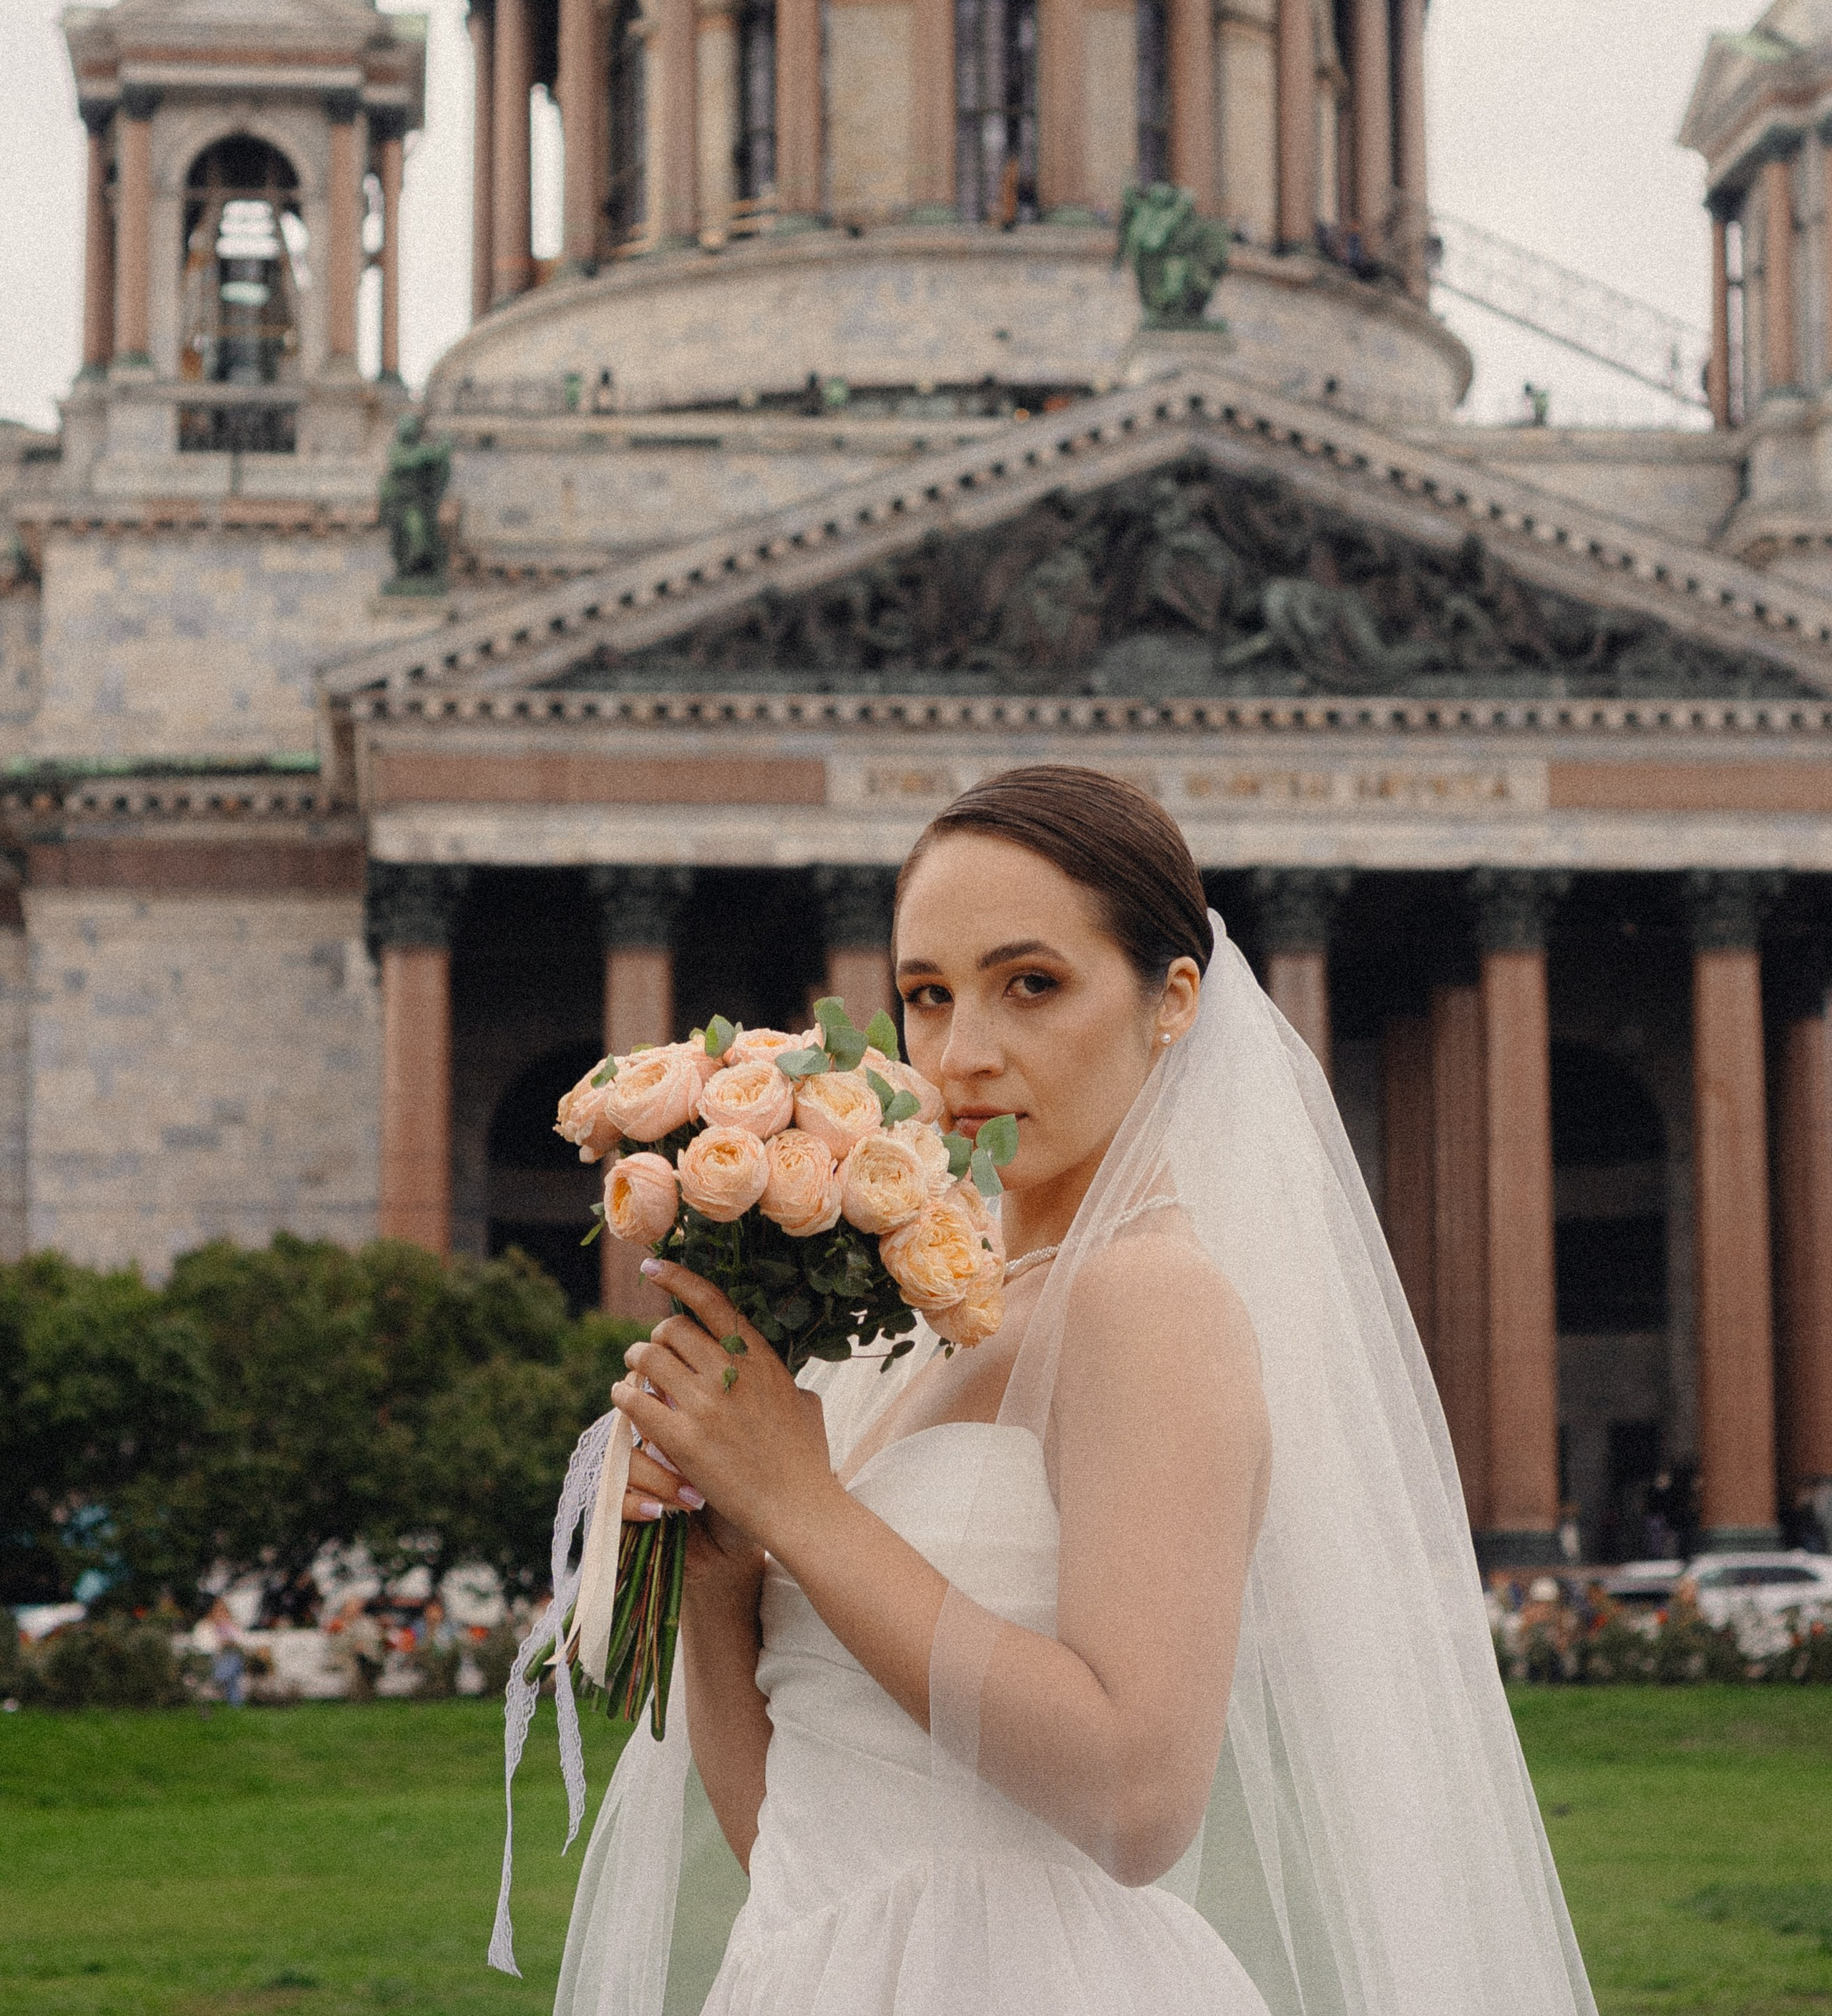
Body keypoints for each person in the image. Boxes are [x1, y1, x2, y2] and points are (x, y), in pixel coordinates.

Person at [522, 766, 1596, 2016]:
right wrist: (721, 1576)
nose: (965, 1053)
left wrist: (806, 1510)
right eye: (928, 995)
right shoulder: (932, 1322)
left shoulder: (1149, 1302)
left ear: (1172, 1000)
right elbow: (802, 1851)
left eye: (1032, 984)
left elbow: (1141, 1799)